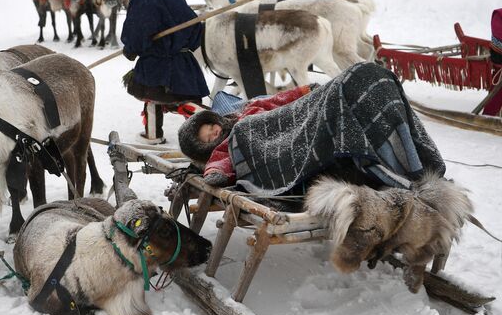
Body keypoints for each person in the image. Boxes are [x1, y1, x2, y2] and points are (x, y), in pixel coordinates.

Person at [178, 62, 445, 198]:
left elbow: (278, 101)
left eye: (210, 126)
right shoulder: (232, 140)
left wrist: (307, 92)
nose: (214, 132)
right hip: (275, 143)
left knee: (363, 76)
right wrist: (213, 174)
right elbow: (219, 164)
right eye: (209, 138)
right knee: (246, 128)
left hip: (298, 119)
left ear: (215, 118)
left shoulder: (247, 109)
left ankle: (406, 157)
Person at [121, 0, 209, 145]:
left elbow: (139, 28)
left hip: (157, 62)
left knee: (153, 96)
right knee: (181, 98)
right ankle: (203, 129)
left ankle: (211, 121)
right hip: (183, 61)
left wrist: (131, 48)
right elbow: (194, 26)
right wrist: (181, 45)